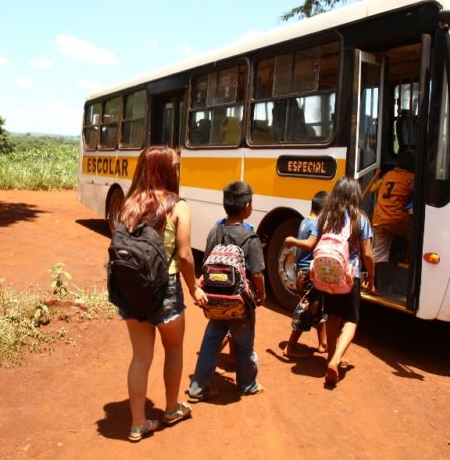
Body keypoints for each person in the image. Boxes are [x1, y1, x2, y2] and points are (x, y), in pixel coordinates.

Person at [115, 145, 207, 442]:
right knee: (174, 349)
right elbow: (185, 257)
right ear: (165, 170)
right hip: (165, 287)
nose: (179, 169)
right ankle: (170, 408)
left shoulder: (128, 204)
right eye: (176, 165)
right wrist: (194, 288)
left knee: (140, 357)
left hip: (132, 287)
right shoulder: (178, 206)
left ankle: (138, 423)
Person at [187, 181, 267, 401]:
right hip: (240, 303)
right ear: (247, 206)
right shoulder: (250, 238)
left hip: (215, 299)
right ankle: (247, 384)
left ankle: (197, 388)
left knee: (211, 341)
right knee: (244, 344)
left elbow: (206, 261)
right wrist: (261, 294)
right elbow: (257, 273)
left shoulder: (216, 230)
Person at [316, 176, 375, 386]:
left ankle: (330, 357)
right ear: (355, 195)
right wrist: (372, 276)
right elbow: (367, 253)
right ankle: (336, 359)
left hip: (326, 274)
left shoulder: (325, 216)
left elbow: (316, 242)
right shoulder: (360, 219)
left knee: (333, 316)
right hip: (349, 276)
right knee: (351, 320)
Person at [282, 190, 329, 357]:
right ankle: (290, 347)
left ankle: (323, 343)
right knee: (306, 309)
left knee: (319, 307)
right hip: (308, 274)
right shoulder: (316, 224)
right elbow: (309, 245)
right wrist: (292, 241)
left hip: (303, 273)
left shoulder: (304, 221)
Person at [372, 151, 415, 272]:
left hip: (379, 219)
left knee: (379, 254)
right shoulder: (411, 178)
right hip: (398, 220)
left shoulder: (388, 175)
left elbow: (373, 188)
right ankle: (408, 259)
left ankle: (375, 279)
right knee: (415, 230)